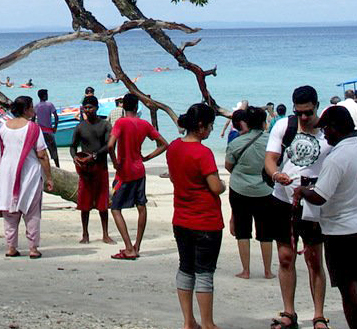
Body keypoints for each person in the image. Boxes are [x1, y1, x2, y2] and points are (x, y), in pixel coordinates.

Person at [294, 106, 357, 329]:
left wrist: (302, 191)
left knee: (347, 289)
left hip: (341, 231)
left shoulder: (336, 158)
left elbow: (319, 197)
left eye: (326, 129)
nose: (325, 134)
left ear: (335, 128)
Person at [264, 85, 331, 329]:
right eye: (299, 112)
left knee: (314, 259)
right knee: (285, 257)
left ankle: (319, 315)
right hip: (283, 199)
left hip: (314, 201)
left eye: (308, 113)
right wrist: (275, 175)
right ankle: (289, 312)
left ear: (317, 106)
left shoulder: (327, 131)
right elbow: (270, 159)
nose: (304, 117)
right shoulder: (284, 126)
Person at [167, 103, 225, 329]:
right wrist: (222, 185)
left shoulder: (174, 148)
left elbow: (174, 177)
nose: (211, 130)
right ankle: (208, 323)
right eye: (210, 126)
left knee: (185, 268)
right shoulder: (203, 153)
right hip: (205, 220)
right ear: (201, 127)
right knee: (204, 272)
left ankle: (188, 321)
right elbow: (214, 187)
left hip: (181, 218)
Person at [107, 93, 168, 260]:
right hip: (139, 170)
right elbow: (164, 145)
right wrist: (147, 157)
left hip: (124, 173)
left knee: (115, 208)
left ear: (123, 107)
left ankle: (128, 248)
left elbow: (110, 145)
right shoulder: (144, 124)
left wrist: (115, 163)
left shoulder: (121, 122)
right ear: (136, 107)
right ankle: (137, 246)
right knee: (141, 206)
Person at [0, 96, 54, 258]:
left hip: (7, 174)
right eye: (32, 107)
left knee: (10, 212)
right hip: (29, 174)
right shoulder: (33, 128)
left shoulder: (3, 127)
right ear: (26, 109)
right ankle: (33, 248)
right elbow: (42, 154)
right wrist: (49, 177)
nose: (33, 110)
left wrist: (2, 172)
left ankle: (11, 247)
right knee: (32, 212)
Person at [224, 106, 275, 280]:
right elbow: (277, 164)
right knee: (266, 232)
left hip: (239, 188)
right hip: (265, 189)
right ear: (263, 123)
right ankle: (268, 271)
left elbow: (228, 165)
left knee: (242, 230)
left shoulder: (236, 142)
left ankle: (246, 270)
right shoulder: (271, 142)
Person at [70, 95, 115, 245]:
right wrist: (75, 157)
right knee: (84, 204)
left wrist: (95, 156)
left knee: (103, 203)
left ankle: (105, 234)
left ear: (97, 108)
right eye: (86, 107)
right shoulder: (80, 127)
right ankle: (85, 234)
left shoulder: (105, 125)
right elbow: (72, 146)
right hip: (85, 170)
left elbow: (109, 145)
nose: (88, 110)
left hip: (100, 167)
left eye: (91, 107)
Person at [34, 89, 60, 168]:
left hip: (40, 132)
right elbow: (56, 116)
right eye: (47, 94)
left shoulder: (36, 106)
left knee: (41, 151)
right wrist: (55, 127)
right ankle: (57, 166)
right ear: (45, 96)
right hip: (49, 132)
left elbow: (32, 119)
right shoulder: (50, 105)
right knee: (53, 151)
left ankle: (43, 166)